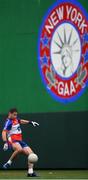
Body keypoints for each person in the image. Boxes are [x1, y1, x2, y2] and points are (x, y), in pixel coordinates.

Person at [2, 108, 39, 177]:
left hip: (20, 141)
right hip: (13, 140)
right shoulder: (9, 122)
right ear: (10, 114)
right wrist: (5, 142)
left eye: (16, 115)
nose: (15, 116)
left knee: (31, 154)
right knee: (19, 149)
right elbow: (4, 132)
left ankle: (30, 172)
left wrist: (31, 122)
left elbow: (21, 121)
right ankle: (8, 162)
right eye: (14, 115)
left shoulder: (15, 119)